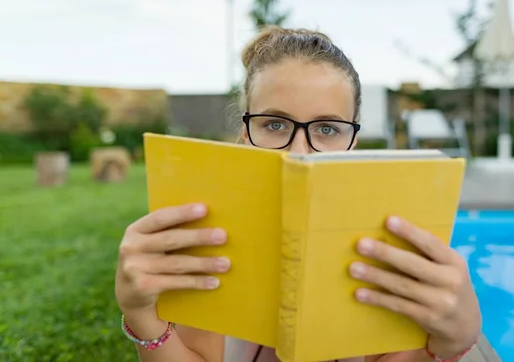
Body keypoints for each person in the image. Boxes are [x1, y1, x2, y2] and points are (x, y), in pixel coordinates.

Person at [115, 26, 482, 362]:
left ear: (352, 139)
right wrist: (142, 316)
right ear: (246, 132)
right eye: (274, 124)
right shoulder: (205, 235)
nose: (300, 152)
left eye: (326, 128)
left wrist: (454, 342)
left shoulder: (392, 243)